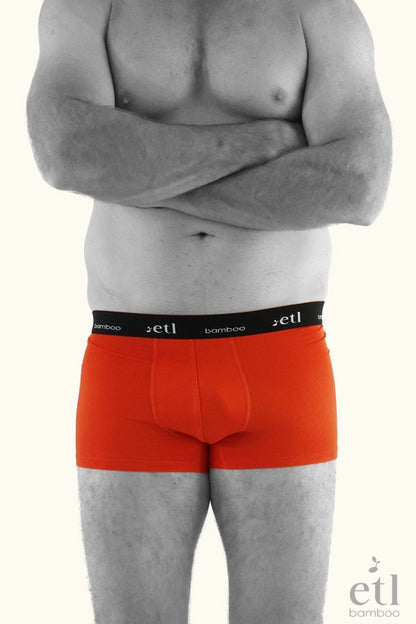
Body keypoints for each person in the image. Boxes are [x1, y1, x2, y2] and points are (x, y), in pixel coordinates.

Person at [26, 0, 392, 622]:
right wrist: (264, 142)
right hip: (131, 365)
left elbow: (359, 185)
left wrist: (140, 172)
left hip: (280, 361)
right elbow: (67, 153)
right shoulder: (87, 6)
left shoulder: (319, 10)